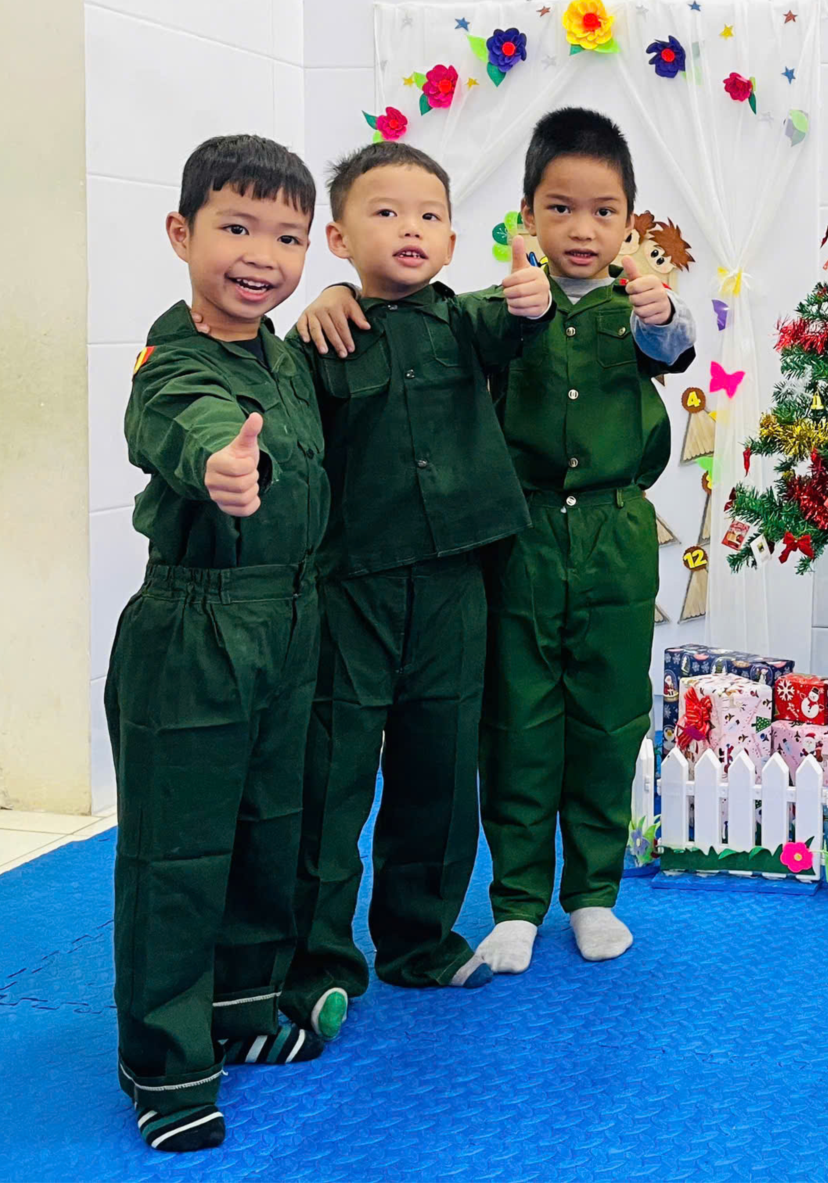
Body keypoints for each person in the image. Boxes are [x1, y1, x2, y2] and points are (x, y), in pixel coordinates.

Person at [300, 109, 694, 973]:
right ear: (527, 216)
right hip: (518, 534)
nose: (581, 229)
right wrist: (334, 294)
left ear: (629, 221)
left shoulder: (641, 309)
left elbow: (674, 343)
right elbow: (407, 314)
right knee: (516, 718)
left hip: (617, 533)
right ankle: (516, 899)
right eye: (560, 208)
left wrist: (664, 310)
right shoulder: (498, 306)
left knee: (609, 716)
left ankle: (592, 893)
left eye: (603, 211)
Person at [278, 142, 555, 1043]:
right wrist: (323, 300)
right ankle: (318, 961)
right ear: (337, 237)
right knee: (332, 777)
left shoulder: (467, 320)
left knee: (439, 770)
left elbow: (520, 316)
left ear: (451, 241)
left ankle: (421, 940)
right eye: (386, 212)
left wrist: (532, 294)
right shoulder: (319, 336)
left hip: (452, 582)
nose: (411, 228)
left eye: (430, 215)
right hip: (350, 587)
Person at [107, 135, 330, 1151]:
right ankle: (162, 1062)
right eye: (236, 227)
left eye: (287, 236)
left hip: (289, 616)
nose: (262, 255)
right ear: (181, 232)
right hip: (196, 624)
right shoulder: (173, 363)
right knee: (178, 850)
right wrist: (220, 469)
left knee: (268, 822)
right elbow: (189, 425)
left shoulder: (282, 354)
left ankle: (239, 1010)